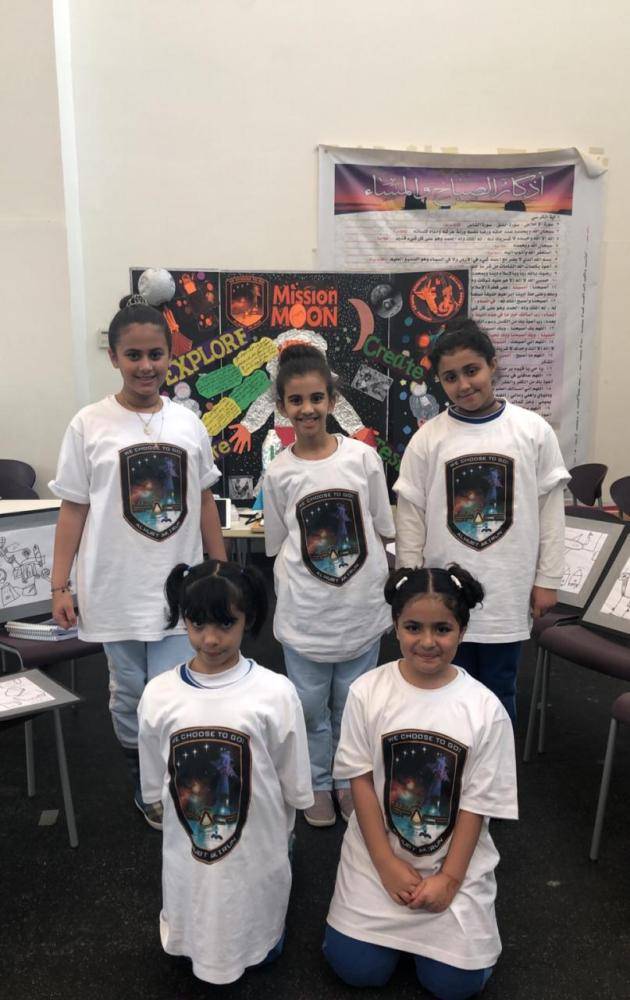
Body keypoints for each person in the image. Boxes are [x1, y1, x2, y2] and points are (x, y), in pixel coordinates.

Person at [49, 294, 226, 828]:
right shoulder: (88, 424)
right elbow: (74, 508)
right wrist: (60, 585)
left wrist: (222, 571)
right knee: (128, 693)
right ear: (114, 357)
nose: (146, 366)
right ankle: (143, 781)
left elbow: (204, 501)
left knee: (175, 692)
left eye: (155, 354)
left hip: (177, 586)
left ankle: (175, 778)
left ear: (170, 355)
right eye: (133, 355)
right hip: (114, 586)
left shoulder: (188, 423)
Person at [324, 564, 518, 1000]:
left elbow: (476, 804)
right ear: (395, 626)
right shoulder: (366, 692)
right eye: (413, 627)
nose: (427, 641)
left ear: (462, 631)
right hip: (377, 861)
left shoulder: (485, 710)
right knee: (356, 970)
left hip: (452, 863)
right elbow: (360, 782)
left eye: (442, 629)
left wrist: (449, 879)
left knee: (454, 987)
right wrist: (386, 865)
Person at [137, 560, 312, 985]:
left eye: (225, 624)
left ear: (248, 619)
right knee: (196, 888)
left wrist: (290, 821)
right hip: (190, 844)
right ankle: (193, 939)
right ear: (183, 618)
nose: (210, 639)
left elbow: (292, 774)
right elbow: (155, 776)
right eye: (197, 624)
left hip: (259, 838)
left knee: (254, 899)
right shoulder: (159, 694)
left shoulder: (275, 692)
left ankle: (263, 934)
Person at [394, 316, 570, 722]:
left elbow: (550, 512)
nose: (463, 384)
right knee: (445, 685)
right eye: (450, 377)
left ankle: (496, 763)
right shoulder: (428, 438)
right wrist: (408, 580)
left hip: (508, 588)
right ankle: (450, 756)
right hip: (444, 592)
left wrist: (548, 579)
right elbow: (411, 515)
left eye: (471, 370)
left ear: (492, 365)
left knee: (499, 686)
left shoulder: (532, 430)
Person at [263, 343, 395, 828]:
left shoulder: (363, 459)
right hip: (307, 616)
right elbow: (279, 542)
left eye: (316, 398)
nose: (308, 409)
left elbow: (382, 526)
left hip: (359, 610)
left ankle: (347, 782)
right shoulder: (279, 472)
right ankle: (316, 781)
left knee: (353, 707)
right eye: (296, 400)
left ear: (332, 400)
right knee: (309, 710)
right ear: (282, 407)